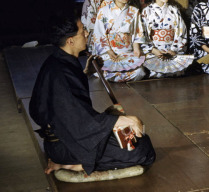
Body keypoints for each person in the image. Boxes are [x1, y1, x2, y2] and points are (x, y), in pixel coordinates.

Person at [29, 16, 155, 177]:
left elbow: (70, 102)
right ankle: (73, 164)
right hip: (67, 145)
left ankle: (76, 161)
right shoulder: (59, 73)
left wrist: (87, 73)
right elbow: (78, 118)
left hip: (68, 136)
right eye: (83, 31)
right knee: (144, 151)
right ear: (70, 41)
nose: (87, 34)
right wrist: (124, 120)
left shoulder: (58, 60)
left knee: (133, 140)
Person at [93, 0, 146, 82]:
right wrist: (109, 51)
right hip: (110, 52)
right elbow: (99, 34)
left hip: (127, 51)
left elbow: (137, 33)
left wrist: (136, 48)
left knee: (140, 72)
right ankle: (114, 75)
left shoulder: (134, 11)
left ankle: (115, 77)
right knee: (105, 68)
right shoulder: (104, 11)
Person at [141, 0, 192, 78]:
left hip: (173, 50)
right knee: (157, 72)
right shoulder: (147, 11)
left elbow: (181, 32)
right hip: (154, 52)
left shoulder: (174, 10)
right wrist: (154, 50)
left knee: (177, 71)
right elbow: (142, 35)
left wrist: (174, 50)